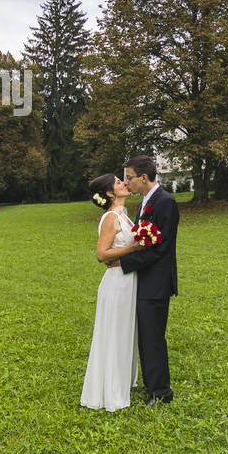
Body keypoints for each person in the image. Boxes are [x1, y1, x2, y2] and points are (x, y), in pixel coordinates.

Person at [115, 154, 181, 404]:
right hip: (143, 280)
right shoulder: (144, 202)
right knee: (145, 335)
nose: (126, 182)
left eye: (129, 177)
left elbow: (160, 249)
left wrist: (123, 262)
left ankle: (161, 392)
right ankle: (151, 384)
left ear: (144, 178)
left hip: (156, 282)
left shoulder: (165, 202)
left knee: (153, 337)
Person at [79, 174, 140, 411]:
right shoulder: (111, 218)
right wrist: (134, 247)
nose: (124, 183)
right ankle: (110, 391)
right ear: (109, 193)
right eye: (117, 182)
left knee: (125, 333)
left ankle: (122, 381)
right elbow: (102, 255)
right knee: (114, 334)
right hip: (117, 283)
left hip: (129, 280)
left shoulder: (123, 215)